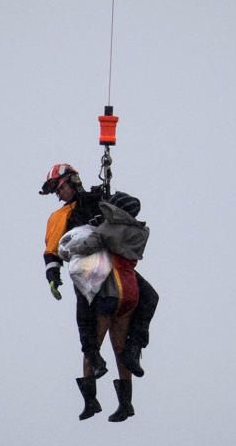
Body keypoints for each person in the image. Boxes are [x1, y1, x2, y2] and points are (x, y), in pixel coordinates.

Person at [40, 163, 159, 422]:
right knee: (86, 317)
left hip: (113, 262)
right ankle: (91, 388)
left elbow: (127, 209)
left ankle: (133, 351)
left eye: (59, 188)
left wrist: (113, 202)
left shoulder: (97, 198)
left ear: (72, 181)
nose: (59, 195)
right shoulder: (58, 217)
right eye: (55, 191)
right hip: (87, 270)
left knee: (149, 296)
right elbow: (51, 251)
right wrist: (53, 276)